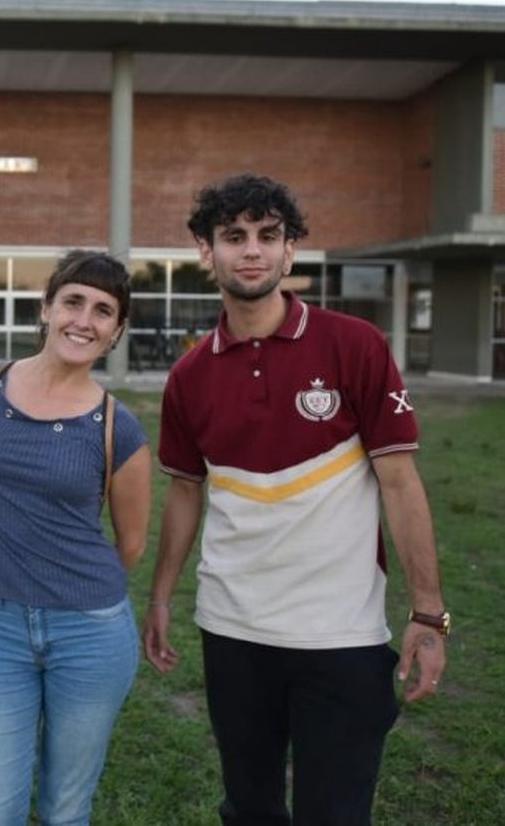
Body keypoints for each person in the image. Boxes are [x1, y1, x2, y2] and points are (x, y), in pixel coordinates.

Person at [142, 173, 449, 826]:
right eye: (233, 237)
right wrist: (162, 596)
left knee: (334, 815)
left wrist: (429, 611)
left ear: (289, 252)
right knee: (249, 810)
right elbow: (185, 492)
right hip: (232, 631)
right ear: (207, 251)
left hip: (341, 635)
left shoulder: (354, 346)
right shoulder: (189, 377)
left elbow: (400, 483)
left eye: (267, 236)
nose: (250, 251)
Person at [0, 250, 152, 826]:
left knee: (66, 807)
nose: (83, 320)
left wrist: (71, 589)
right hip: (0, 627)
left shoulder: (120, 427)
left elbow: (131, 545)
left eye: (103, 311)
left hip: (90, 633)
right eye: (73, 301)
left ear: (115, 332)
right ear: (46, 308)